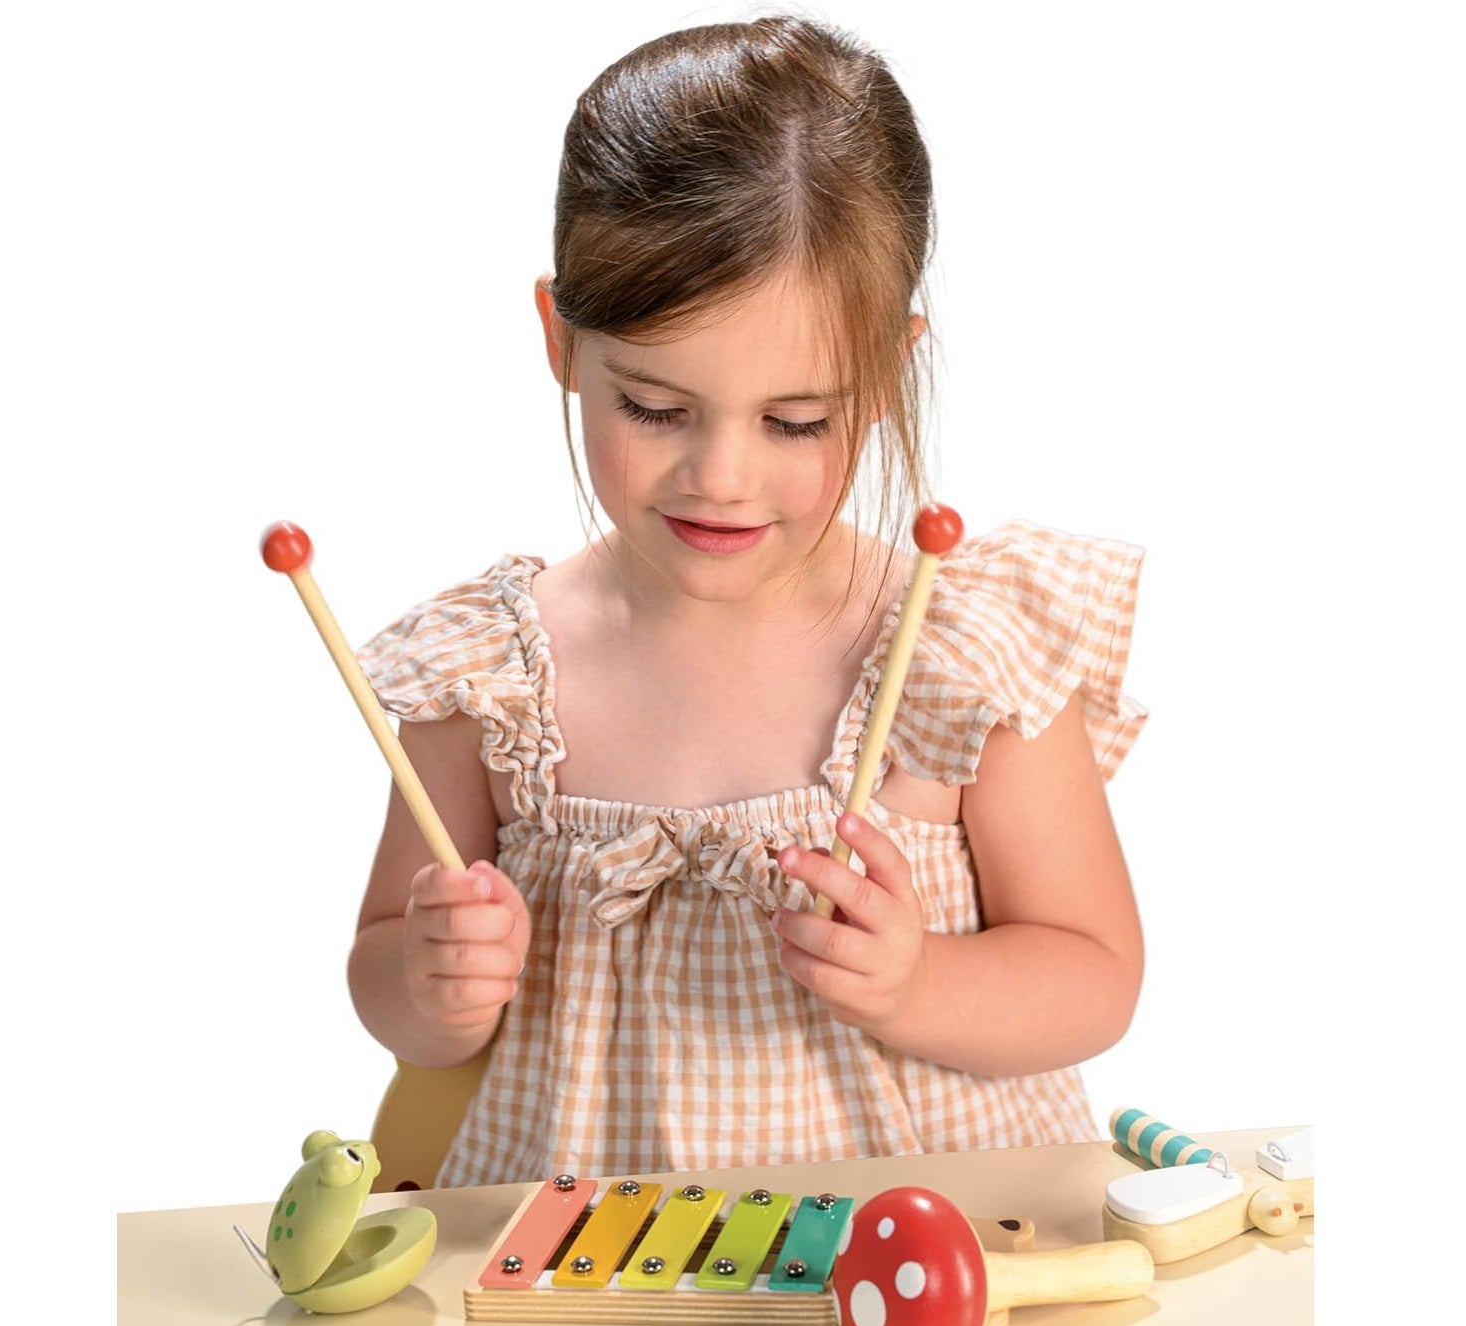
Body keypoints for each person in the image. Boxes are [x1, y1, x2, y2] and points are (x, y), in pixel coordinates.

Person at [348, 15, 1148, 1189]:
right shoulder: (489, 678)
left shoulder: (963, 651)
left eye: (795, 421)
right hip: (592, 1272)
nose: (721, 475)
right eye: (657, 409)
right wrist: (432, 987)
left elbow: (1096, 974)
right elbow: (384, 970)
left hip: (921, 1257)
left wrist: (919, 983)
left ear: (886, 375)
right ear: (562, 342)